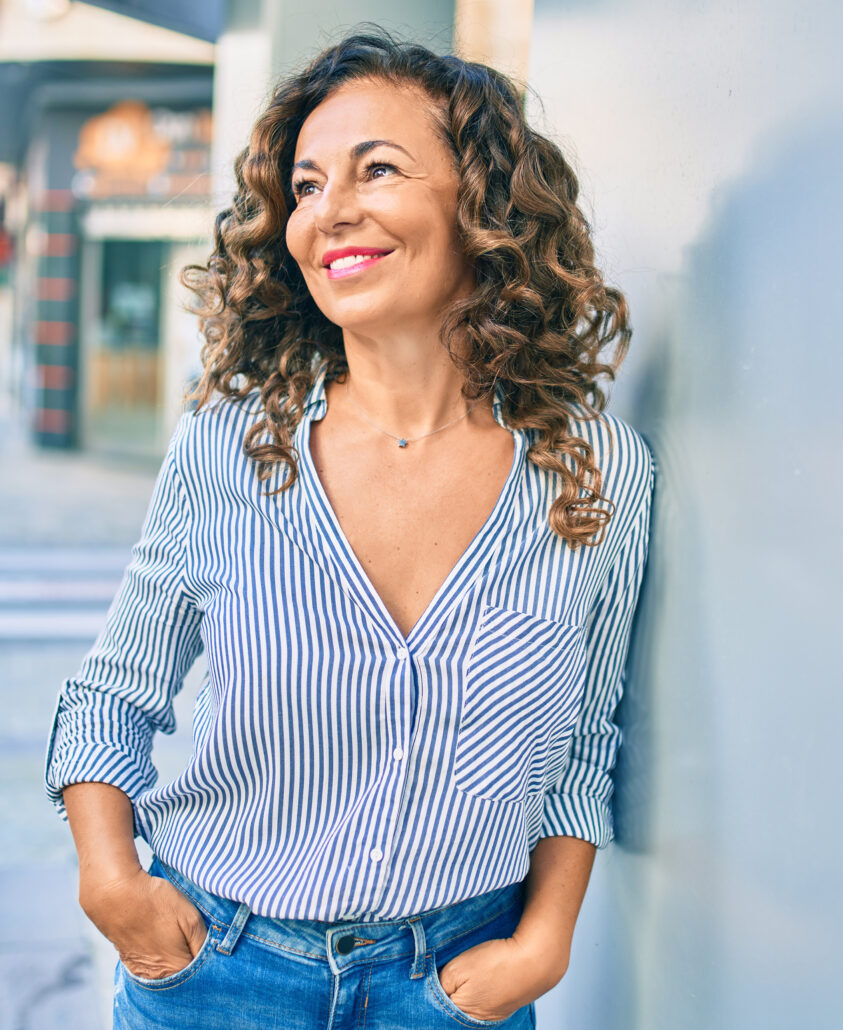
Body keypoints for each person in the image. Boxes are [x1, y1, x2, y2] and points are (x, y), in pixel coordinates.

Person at [44, 28, 655, 1030]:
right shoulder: (229, 449)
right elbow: (112, 693)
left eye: (377, 169)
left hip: (458, 989)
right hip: (215, 976)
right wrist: (113, 884)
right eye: (308, 184)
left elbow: (581, 742)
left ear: (483, 206)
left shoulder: (596, 471)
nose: (330, 212)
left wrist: (542, 944)